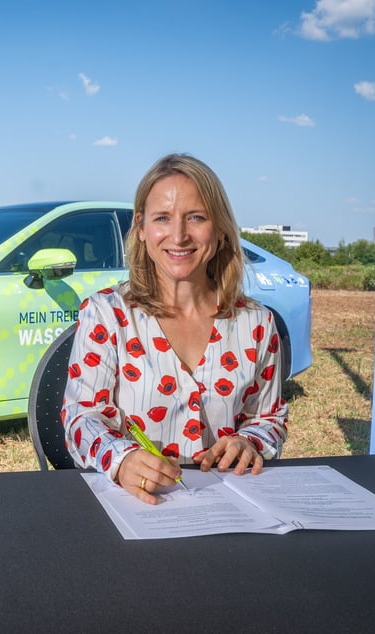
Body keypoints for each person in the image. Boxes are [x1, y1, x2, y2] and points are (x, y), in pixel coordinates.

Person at [62, 153, 288, 504]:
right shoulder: (106, 315)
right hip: (138, 505)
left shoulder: (257, 323)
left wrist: (251, 441)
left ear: (221, 230)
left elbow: (268, 417)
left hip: (229, 507)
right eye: (162, 218)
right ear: (142, 228)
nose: (178, 235)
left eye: (196, 217)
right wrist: (121, 460)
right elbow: (81, 419)